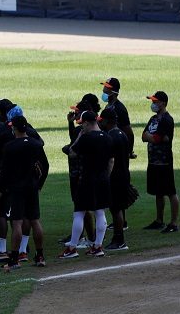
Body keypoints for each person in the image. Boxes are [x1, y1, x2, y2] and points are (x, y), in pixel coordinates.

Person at [0, 99, 41, 264]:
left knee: (4, 214)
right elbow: (40, 146)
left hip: (11, 182)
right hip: (30, 182)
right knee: (31, 218)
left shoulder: (3, 132)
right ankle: (26, 250)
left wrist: (0, 182)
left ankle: (4, 251)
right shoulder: (31, 135)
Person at [60, 111, 113, 259]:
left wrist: (79, 137)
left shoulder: (86, 138)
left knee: (79, 212)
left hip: (87, 179)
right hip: (103, 179)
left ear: (87, 123)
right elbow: (111, 160)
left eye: (82, 124)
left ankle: (72, 248)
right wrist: (105, 176)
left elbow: (72, 153)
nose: (81, 126)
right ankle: (98, 246)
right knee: (100, 212)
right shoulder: (108, 138)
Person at [0, 116, 49, 270]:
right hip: (32, 187)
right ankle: (40, 256)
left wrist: (2, 189)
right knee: (35, 221)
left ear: (14, 128)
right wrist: (39, 184)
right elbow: (45, 165)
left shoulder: (10, 146)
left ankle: (14, 259)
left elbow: (5, 171)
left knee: (17, 223)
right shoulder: (36, 144)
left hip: (16, 188)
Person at [61, 99, 97, 249]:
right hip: (79, 173)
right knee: (83, 207)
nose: (74, 113)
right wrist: (70, 123)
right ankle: (87, 237)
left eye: (76, 111)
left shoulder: (82, 131)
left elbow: (72, 149)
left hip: (78, 174)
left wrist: (66, 149)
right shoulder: (82, 130)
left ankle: (87, 238)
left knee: (82, 207)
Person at [142, 91, 179, 233]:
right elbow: (144, 136)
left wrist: (151, 136)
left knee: (170, 192)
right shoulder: (153, 119)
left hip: (164, 162)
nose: (153, 104)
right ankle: (159, 220)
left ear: (163, 103)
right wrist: (153, 137)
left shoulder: (167, 120)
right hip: (153, 162)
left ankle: (174, 223)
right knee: (158, 192)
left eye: (155, 101)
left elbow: (157, 138)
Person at [99, 108, 132, 250]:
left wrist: (106, 176)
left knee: (116, 209)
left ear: (107, 121)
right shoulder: (122, 134)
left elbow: (110, 160)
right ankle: (118, 239)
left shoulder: (111, 136)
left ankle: (119, 240)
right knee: (117, 208)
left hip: (115, 177)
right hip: (124, 174)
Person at [101, 78, 135, 158]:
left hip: (117, 149)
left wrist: (129, 151)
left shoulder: (120, 109)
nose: (104, 90)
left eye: (107, 88)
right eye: (105, 87)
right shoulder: (108, 106)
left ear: (113, 91)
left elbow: (129, 133)